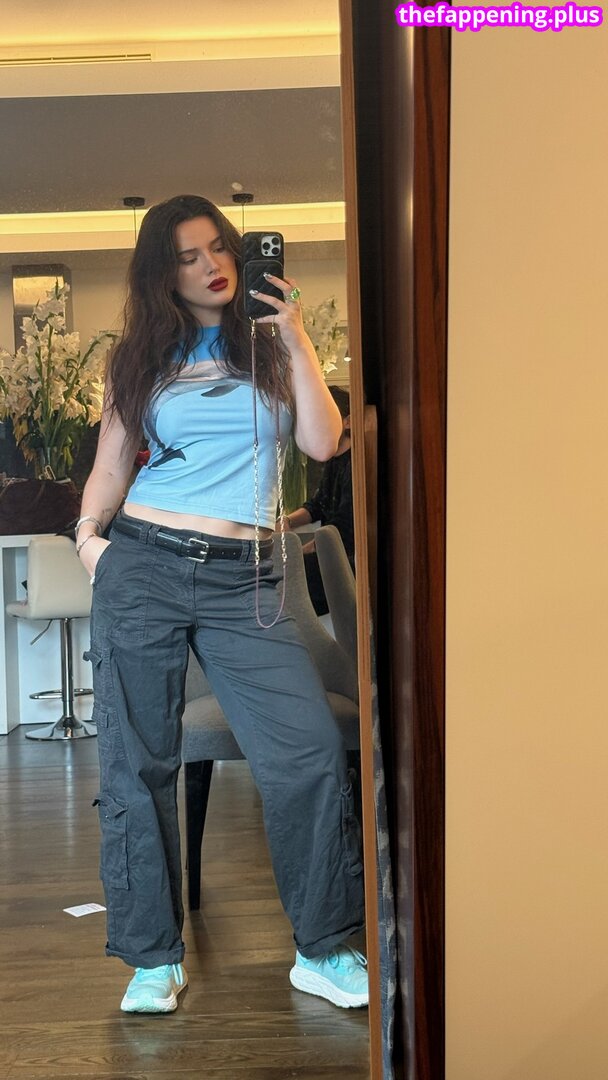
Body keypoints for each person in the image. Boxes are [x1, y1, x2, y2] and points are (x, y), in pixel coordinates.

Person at [75, 194, 367, 1015]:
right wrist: (90, 541)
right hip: (144, 564)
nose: (211, 265)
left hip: (247, 581)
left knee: (308, 749)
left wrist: (295, 334)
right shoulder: (141, 359)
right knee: (139, 764)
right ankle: (152, 960)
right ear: (162, 274)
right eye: (187, 256)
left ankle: (323, 948)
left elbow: (322, 441)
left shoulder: (271, 346)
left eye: (218, 247)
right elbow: (111, 464)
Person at [277, 386, 353, 615]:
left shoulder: (356, 463)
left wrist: (300, 551)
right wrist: (287, 521)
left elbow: (345, 528)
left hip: (346, 559)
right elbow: (318, 505)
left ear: (347, 422)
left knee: (282, 584)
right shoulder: (334, 459)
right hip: (331, 551)